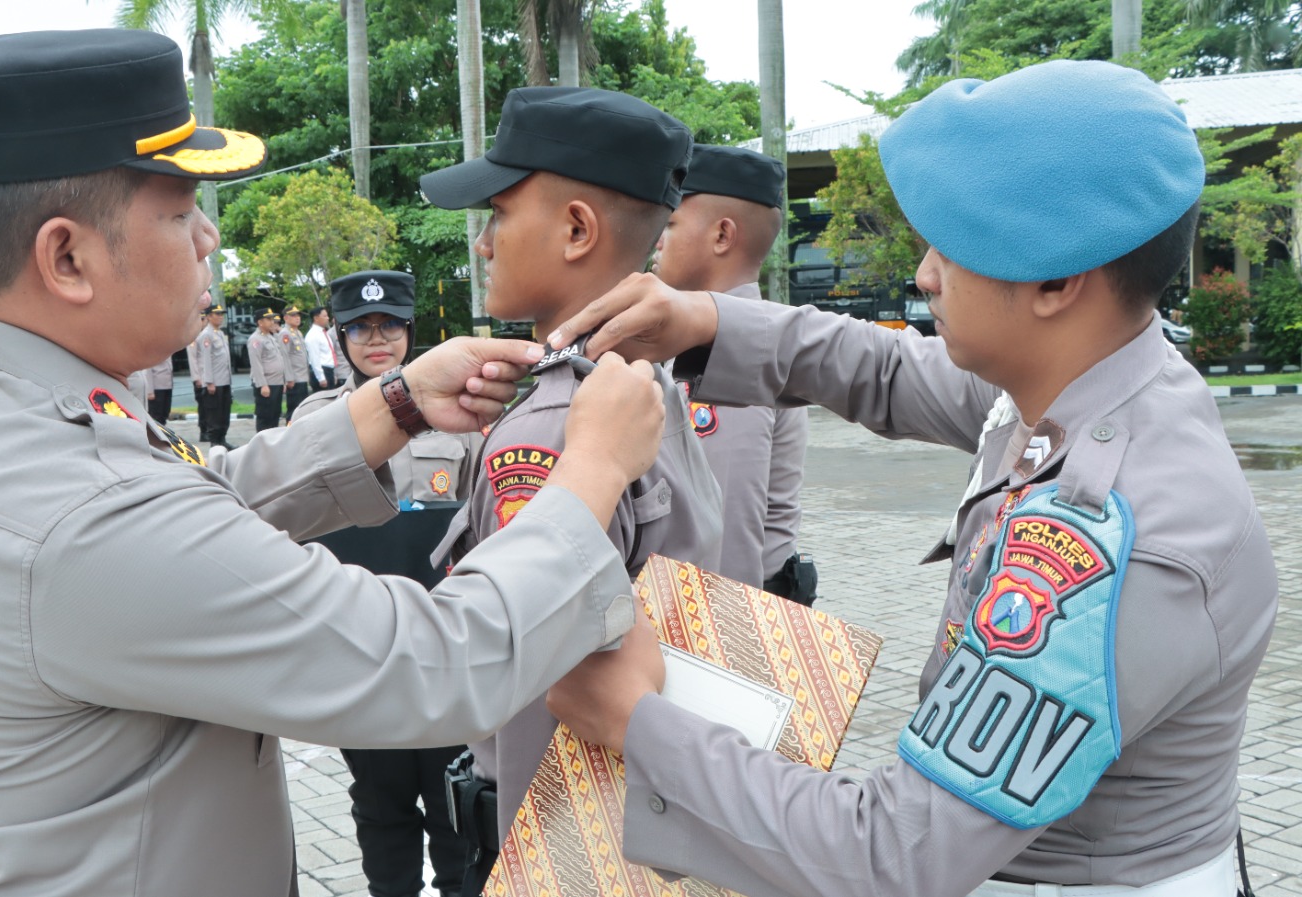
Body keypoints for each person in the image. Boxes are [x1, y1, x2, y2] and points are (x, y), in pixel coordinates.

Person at [0, 28, 673, 897]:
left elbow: (192, 509)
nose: (209, 237)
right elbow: (426, 664)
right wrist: (592, 468)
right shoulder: (78, 510)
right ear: (67, 257)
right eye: (179, 211)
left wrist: (393, 404)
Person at [543, 60, 1277, 896]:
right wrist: (703, 318)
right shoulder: (1090, 374)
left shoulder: (1123, 538)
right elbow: (889, 368)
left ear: (1057, 282)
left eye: (953, 247)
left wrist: (639, 722)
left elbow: (892, 852)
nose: (925, 273)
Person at [419, 85, 723, 897]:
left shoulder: (551, 427)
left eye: (500, 214)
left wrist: (532, 872)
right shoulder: (642, 381)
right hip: (653, 823)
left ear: (577, 229)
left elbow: (534, 684)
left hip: (563, 847)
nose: (483, 243)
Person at [293, 271, 478, 897]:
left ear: (409, 333)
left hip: (442, 648)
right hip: (361, 650)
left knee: (457, 807)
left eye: (391, 326)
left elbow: (483, 528)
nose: (378, 340)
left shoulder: (459, 416)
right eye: (362, 329)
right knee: (381, 807)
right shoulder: (315, 421)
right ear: (340, 337)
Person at [649, 143, 815, 598]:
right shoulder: (742, 340)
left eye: (670, 224)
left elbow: (726, 531)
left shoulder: (732, 351)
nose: (656, 240)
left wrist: (716, 651)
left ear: (722, 236)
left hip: (727, 608)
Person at [194, 305, 233, 448]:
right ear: (209, 316)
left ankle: (222, 440)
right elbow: (206, 360)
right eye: (217, 314)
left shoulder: (220, 334)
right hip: (214, 382)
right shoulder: (206, 335)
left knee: (224, 413)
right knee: (214, 414)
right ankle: (215, 442)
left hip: (224, 380)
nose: (220, 317)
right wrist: (209, 382)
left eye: (221, 314)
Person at [248, 308, 286, 430]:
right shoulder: (256, 339)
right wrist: (262, 384)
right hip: (267, 383)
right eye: (269, 319)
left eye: (272, 319)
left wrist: (283, 381)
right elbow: (256, 364)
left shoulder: (270, 337)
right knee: (265, 416)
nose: (272, 322)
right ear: (260, 322)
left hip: (276, 382)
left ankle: (272, 443)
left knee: (275, 414)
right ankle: (262, 444)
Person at [280, 305, 311, 420]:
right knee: (293, 410)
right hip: (295, 378)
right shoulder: (285, 334)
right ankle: (290, 432)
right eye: (293, 315)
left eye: (298, 315)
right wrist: (289, 378)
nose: (297, 318)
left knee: (302, 409)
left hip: (302, 376)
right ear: (286, 318)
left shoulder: (297, 333)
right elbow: (285, 356)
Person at [187, 304, 208, 440]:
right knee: (203, 405)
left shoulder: (207, 335)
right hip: (201, 377)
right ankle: (203, 430)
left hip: (208, 376)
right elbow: (192, 359)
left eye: (204, 319)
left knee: (209, 406)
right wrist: (196, 378)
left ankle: (208, 429)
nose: (203, 322)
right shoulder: (193, 337)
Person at [305, 305, 338, 389]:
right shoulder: (313, 335)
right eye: (324, 316)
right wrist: (321, 378)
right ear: (316, 318)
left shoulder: (324, 333)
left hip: (329, 371)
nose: (327, 318)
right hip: (322, 371)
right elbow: (314, 358)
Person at [141, 354, 174, 425]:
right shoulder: (153, 347)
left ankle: (162, 433)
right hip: (157, 387)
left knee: (165, 413)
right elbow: (148, 370)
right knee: (156, 416)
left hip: (167, 385)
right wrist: (150, 391)